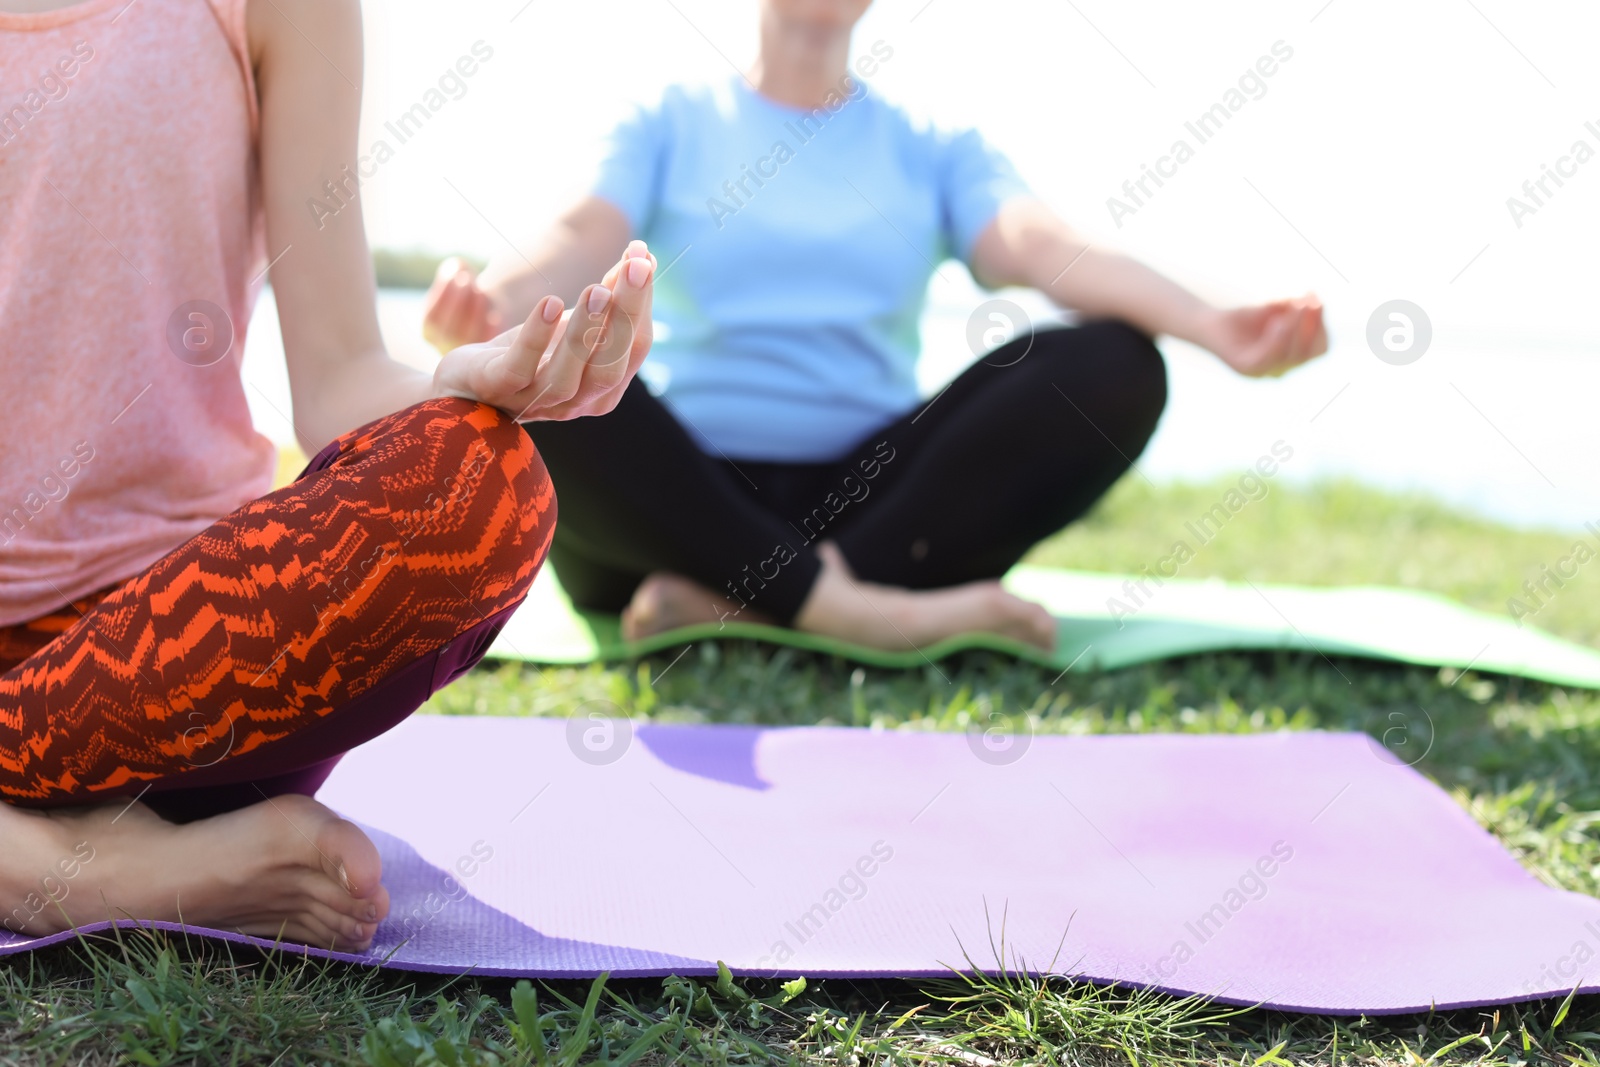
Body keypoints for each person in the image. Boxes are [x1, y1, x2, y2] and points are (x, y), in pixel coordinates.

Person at [0, 0, 654, 951]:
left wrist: (453, 382)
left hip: (167, 674)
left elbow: (339, 369)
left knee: (477, 485)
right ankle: (102, 876)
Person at [424, 0, 1328, 654]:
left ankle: (754, 600)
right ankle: (863, 615)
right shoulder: (669, 122)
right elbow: (577, 238)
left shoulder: (932, 144)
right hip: (677, 505)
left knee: (1117, 364)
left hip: (875, 506)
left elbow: (1038, 242)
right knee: (547, 394)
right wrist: (492, 306)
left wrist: (1213, 325)